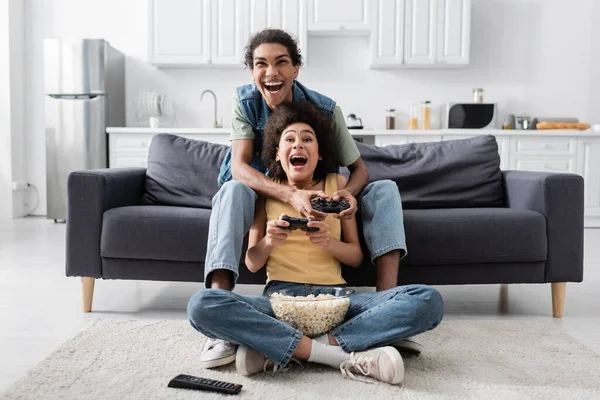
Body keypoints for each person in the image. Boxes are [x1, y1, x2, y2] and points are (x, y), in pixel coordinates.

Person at [187, 102, 443, 385]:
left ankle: (285, 348)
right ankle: (336, 353)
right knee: (201, 304)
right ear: (277, 153)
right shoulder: (267, 193)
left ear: (319, 154)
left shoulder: (337, 185)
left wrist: (328, 243)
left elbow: (355, 256)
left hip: (337, 302)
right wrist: (270, 240)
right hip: (280, 302)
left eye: (307, 139)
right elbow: (252, 261)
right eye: (290, 139)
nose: (299, 144)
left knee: (428, 301)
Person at [199, 28, 411, 368]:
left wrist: (346, 195)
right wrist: (287, 196)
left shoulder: (325, 111)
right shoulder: (244, 103)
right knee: (232, 191)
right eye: (260, 64)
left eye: (281, 62)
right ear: (252, 71)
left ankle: (383, 310)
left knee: (386, 190)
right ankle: (221, 318)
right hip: (256, 193)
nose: (271, 72)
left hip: (334, 291)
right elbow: (239, 169)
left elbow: (360, 171)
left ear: (296, 68)